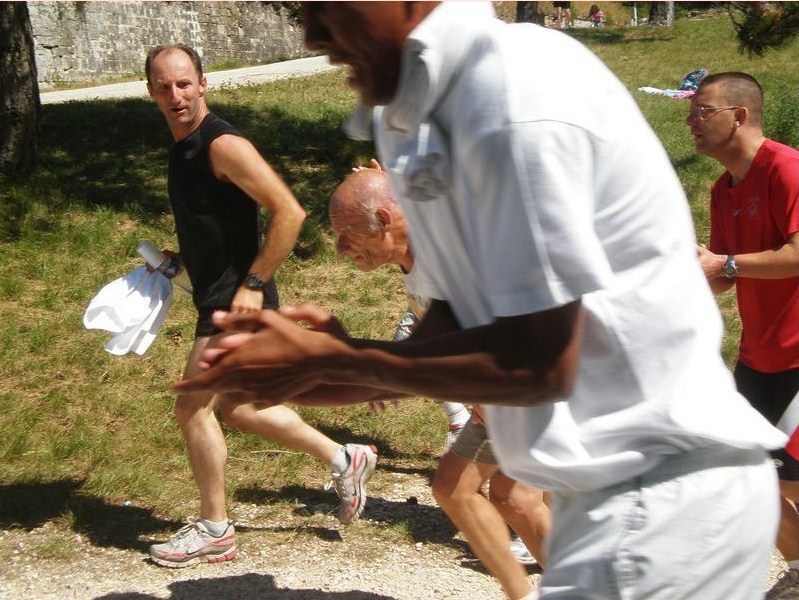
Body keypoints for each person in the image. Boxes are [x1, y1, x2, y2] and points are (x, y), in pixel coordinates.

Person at [176, 5, 788, 599]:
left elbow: (541, 363)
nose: (311, 31)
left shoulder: (513, 95)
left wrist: (343, 362)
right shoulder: (411, 118)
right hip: (604, 502)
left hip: (662, 495)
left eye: (329, 3)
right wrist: (315, 369)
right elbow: (455, 324)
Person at [143, 44, 377, 568]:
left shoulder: (221, 144)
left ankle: (215, 529)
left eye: (184, 84)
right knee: (240, 408)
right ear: (151, 92)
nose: (175, 95)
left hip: (234, 303)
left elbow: (289, 212)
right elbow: (220, 224)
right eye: (164, 87)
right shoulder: (181, 148)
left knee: (193, 407)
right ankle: (345, 457)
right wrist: (181, 260)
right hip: (221, 293)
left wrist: (253, 282)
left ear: (203, 84)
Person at [329, 165, 549, 599]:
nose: (339, 248)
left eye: (349, 232)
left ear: (387, 222)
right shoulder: (414, 254)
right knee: (468, 490)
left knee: (507, 496)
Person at [689, 72, 799, 600]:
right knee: (749, 475)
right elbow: (724, 277)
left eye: (701, 112)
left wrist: (727, 263)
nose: (690, 122)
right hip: (760, 357)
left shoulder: (788, 169)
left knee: (787, 476)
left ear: (738, 115)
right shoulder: (720, 190)